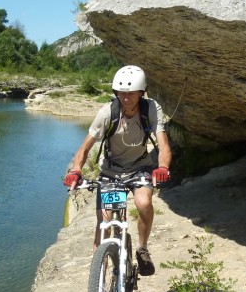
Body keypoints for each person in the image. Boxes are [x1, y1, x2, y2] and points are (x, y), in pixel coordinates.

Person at [63, 65, 172, 276]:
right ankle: (98, 283)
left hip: (140, 168)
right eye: (122, 93)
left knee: (144, 203)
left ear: (141, 92)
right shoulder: (107, 112)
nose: (126, 98)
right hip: (111, 172)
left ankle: (142, 248)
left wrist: (162, 167)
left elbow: (164, 144)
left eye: (131, 93)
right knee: (103, 224)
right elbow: (84, 148)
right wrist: (76, 170)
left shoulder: (151, 109)